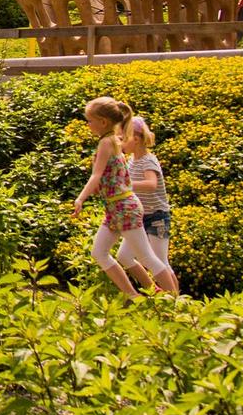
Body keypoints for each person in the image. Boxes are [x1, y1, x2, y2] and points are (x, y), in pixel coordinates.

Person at [71, 95, 177, 300]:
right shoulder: (113, 140)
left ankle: (176, 303)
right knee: (99, 253)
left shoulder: (107, 142)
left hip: (124, 208)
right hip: (114, 208)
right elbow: (109, 175)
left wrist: (80, 198)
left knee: (148, 257)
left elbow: (97, 174)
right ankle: (135, 297)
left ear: (103, 122)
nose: (88, 124)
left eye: (90, 120)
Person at [125, 117, 179, 294]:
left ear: (136, 139)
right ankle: (154, 291)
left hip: (157, 217)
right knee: (124, 256)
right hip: (138, 217)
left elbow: (151, 184)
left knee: (160, 261)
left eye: (124, 138)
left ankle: (176, 301)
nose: (121, 142)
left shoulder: (148, 161)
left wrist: (127, 184)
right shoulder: (130, 160)